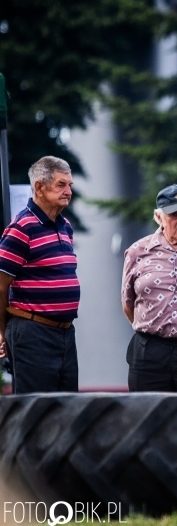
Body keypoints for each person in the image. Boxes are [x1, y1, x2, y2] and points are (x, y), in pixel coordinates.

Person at [0, 156, 80, 393]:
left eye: (70, 185)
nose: (68, 192)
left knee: (68, 407)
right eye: (60, 185)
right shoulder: (21, 228)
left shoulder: (65, 226)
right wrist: (1, 332)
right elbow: (1, 286)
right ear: (39, 187)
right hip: (32, 333)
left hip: (65, 333)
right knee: (36, 408)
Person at [121, 184, 177, 392]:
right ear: (159, 217)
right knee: (147, 410)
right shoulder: (138, 251)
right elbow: (128, 303)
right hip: (149, 351)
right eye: (175, 215)